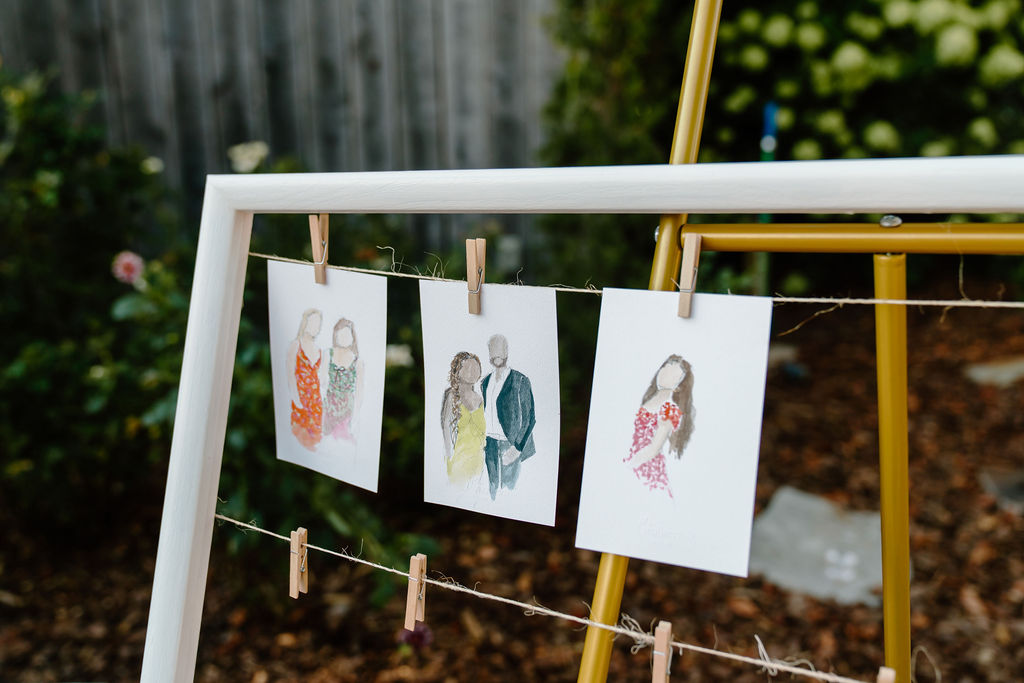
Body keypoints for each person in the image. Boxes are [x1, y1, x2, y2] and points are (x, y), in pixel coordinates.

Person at [623, 355, 695, 498]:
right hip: (633, 458)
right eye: (665, 369)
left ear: (679, 386)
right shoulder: (647, 399)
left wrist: (628, 465)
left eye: (673, 375)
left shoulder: (669, 409)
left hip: (647, 470)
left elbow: (653, 449)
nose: (665, 375)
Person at [481, 334, 536, 500]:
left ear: (507, 351)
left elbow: (529, 417)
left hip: (510, 445)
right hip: (489, 443)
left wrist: (517, 447)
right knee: (492, 490)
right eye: (493, 350)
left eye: (500, 349)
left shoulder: (520, 380)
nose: (496, 354)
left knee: (510, 492)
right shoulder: (485, 382)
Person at [441, 351, 486, 486]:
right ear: (457, 371)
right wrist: (449, 456)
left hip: (479, 459)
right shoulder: (451, 395)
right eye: (467, 368)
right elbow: (445, 427)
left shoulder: (480, 398)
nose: (472, 372)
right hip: (459, 458)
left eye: (475, 368)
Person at [287, 308, 325, 451]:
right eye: (313, 322)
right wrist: (296, 398)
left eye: (319, 323)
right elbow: (290, 374)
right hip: (300, 397)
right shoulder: (295, 345)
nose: (316, 327)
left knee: (315, 438)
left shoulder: (318, 349)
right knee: (300, 438)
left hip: (315, 400)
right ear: (305, 323)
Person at [323, 318, 363, 441]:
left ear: (352, 337)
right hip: (328, 408)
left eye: (347, 334)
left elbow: (359, 391)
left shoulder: (357, 362)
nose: (344, 337)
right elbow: (322, 382)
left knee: (343, 442)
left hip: (347, 412)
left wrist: (355, 418)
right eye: (341, 334)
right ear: (336, 336)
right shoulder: (328, 354)